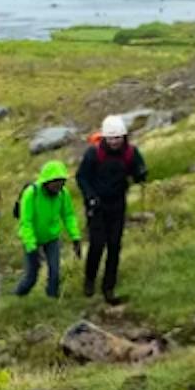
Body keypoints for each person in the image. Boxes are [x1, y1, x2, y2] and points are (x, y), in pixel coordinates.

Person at [76, 113, 149, 304]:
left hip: (117, 205)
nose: (115, 142)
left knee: (115, 247)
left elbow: (137, 171)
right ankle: (89, 281)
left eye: (118, 138)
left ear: (124, 137)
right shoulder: (93, 154)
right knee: (97, 245)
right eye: (111, 138)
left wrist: (141, 173)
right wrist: (90, 197)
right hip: (97, 206)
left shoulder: (131, 153)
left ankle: (109, 288)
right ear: (105, 138)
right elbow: (81, 177)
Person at [13, 160, 82, 298]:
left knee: (55, 272)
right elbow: (26, 222)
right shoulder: (31, 194)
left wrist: (75, 237)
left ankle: (51, 299)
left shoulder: (63, 194)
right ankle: (17, 297)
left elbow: (68, 216)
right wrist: (31, 247)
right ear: (47, 181)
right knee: (32, 276)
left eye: (62, 182)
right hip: (32, 239)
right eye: (56, 183)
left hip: (52, 238)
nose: (59, 186)